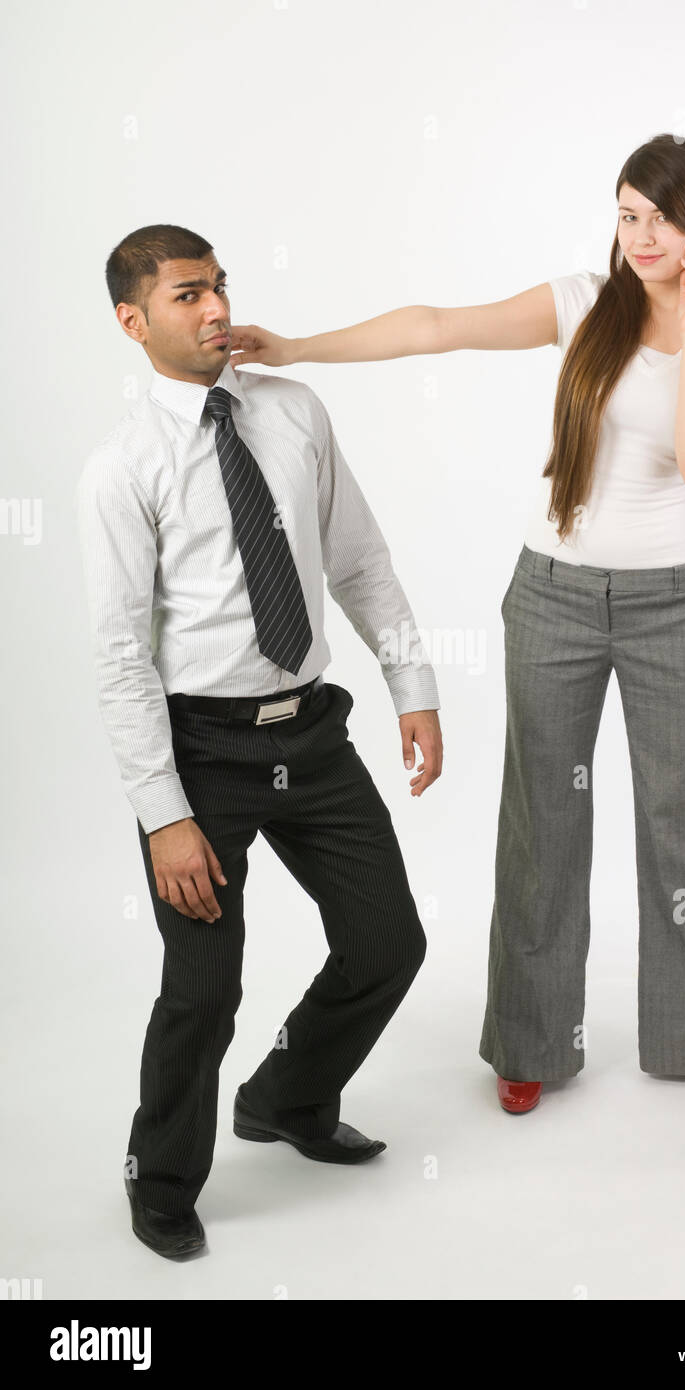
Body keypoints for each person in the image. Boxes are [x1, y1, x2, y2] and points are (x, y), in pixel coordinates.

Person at [228, 133, 685, 1115]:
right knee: (540, 823)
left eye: (659, 217)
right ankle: (530, 1037)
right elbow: (436, 325)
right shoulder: (575, 304)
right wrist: (298, 346)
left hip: (676, 607)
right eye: (624, 212)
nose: (637, 235)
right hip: (553, 597)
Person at [75, 223, 444, 1260]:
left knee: (387, 941)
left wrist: (409, 681)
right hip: (202, 754)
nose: (215, 310)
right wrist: (164, 818)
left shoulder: (293, 411)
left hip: (313, 735)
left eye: (219, 288)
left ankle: (286, 1094)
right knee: (204, 987)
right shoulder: (123, 466)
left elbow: (358, 558)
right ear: (131, 319)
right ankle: (160, 1177)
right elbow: (117, 657)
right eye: (187, 295)